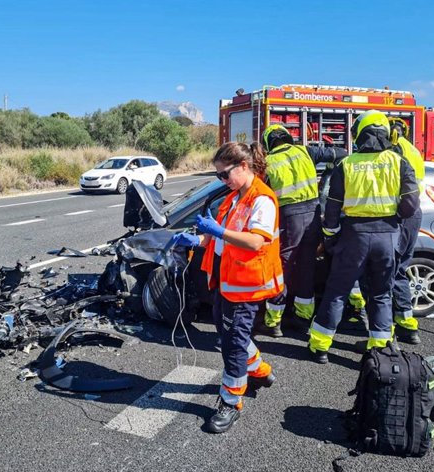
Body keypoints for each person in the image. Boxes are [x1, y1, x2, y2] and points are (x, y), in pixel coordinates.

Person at [171, 141, 283, 433]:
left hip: (245, 285)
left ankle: (231, 402)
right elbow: (219, 237)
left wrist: (218, 230)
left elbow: (256, 241)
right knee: (230, 332)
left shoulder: (262, 200)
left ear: (244, 167)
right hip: (225, 279)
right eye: (218, 175)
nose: (222, 180)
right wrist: (198, 240)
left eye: (225, 174)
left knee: (233, 343)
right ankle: (259, 370)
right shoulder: (235, 197)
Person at [307, 110, 420, 364]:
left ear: (358, 134)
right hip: (387, 236)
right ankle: (380, 349)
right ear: (387, 134)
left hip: (353, 237)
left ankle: (320, 346)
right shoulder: (399, 162)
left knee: (337, 291)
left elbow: (332, 209)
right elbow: (411, 205)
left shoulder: (346, 164)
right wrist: (392, 220)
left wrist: (330, 238)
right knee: (381, 294)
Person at [257, 124, 348, 337]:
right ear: (288, 137)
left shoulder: (269, 163)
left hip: (289, 217)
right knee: (307, 265)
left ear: (269, 143)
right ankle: (303, 318)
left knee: (283, 266)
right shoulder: (305, 151)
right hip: (314, 213)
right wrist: (329, 173)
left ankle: (274, 322)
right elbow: (341, 153)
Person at [389, 118, 425, 344]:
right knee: (400, 268)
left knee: (388, 269)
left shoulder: (395, 151)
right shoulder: (413, 149)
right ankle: (407, 325)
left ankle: (385, 333)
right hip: (413, 213)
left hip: (401, 215)